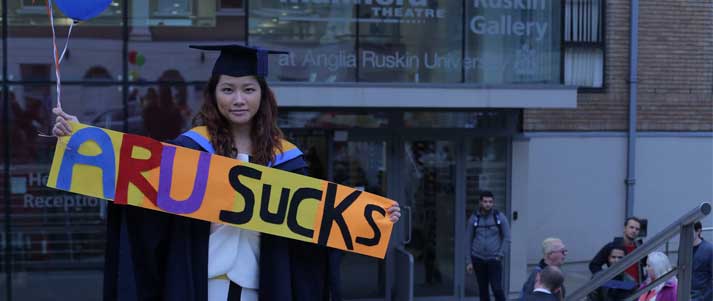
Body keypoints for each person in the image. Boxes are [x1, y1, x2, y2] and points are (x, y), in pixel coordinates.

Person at [52, 44, 401, 301]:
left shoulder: (287, 159)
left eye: (249, 90)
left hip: (261, 285)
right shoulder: (190, 149)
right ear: (214, 95)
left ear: (263, 97)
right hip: (200, 282)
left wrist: (371, 219)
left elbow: (313, 228)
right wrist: (83, 139)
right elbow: (139, 187)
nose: (238, 99)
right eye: (228, 89)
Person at [465, 190, 511, 301]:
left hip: (494, 258)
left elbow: (507, 238)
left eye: (490, 202)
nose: (488, 204)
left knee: (497, 289)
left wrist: (500, 255)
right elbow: (467, 240)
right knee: (483, 290)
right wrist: (469, 262)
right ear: (480, 202)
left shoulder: (500, 217)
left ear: (493, 203)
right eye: (485, 201)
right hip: (478, 259)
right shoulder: (474, 218)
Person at [590, 217, 646, 284]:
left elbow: (646, 266)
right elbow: (594, 265)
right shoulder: (612, 247)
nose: (634, 231)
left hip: (637, 289)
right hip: (619, 289)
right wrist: (605, 280)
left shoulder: (640, 248)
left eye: (637, 229)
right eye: (631, 227)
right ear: (625, 228)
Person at [692, 221, 712, 301]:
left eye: (690, 231)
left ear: (698, 231)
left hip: (703, 296)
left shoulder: (709, 250)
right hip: (685, 294)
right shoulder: (683, 249)